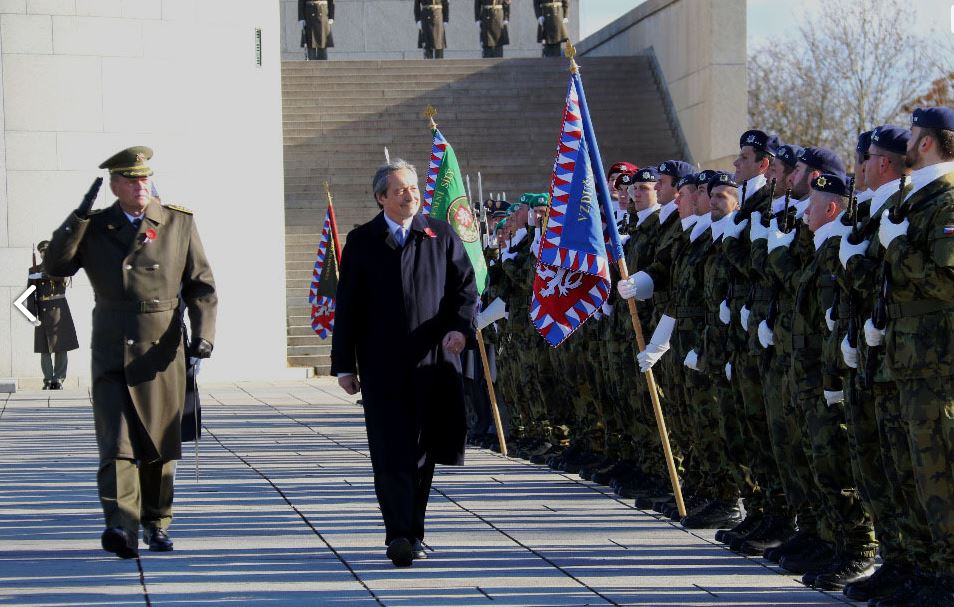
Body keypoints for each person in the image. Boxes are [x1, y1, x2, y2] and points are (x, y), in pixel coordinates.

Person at [44, 146, 217, 559]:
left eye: (145, 178)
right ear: (114, 185)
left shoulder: (177, 222)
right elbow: (55, 265)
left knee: (158, 442)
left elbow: (202, 286)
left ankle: (156, 522)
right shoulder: (95, 226)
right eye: (131, 179)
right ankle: (121, 526)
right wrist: (79, 217)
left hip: (160, 348)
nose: (141, 185)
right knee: (116, 443)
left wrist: (203, 336)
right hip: (111, 348)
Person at [331, 159, 478, 567]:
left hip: (431, 362)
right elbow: (348, 308)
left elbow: (465, 289)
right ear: (381, 198)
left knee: (423, 451)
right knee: (389, 450)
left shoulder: (438, 234)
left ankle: (414, 530)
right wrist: (344, 364)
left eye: (413, 188)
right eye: (399, 190)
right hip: (381, 366)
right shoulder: (363, 241)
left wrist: (460, 329)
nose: (409, 195)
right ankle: (397, 533)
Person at [27, 240, 79, 390]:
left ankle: (59, 379)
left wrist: (42, 275)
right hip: (42, 310)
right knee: (44, 349)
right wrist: (32, 315)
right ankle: (48, 380)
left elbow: (62, 277)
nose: (44, 254)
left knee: (61, 347)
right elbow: (30, 294)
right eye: (42, 252)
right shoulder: (33, 270)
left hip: (59, 310)